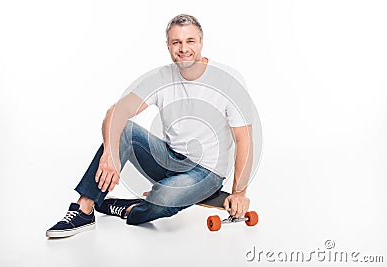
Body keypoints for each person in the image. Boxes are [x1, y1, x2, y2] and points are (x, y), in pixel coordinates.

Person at [46, 14, 256, 238]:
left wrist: (239, 192)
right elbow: (116, 113)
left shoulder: (228, 80)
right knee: (124, 130)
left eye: (190, 41)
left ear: (201, 42)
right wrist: (110, 153)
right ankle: (84, 209)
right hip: (167, 159)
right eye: (176, 42)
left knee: (162, 198)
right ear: (168, 46)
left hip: (206, 172)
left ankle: (131, 208)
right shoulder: (161, 77)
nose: (183, 48)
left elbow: (244, 139)